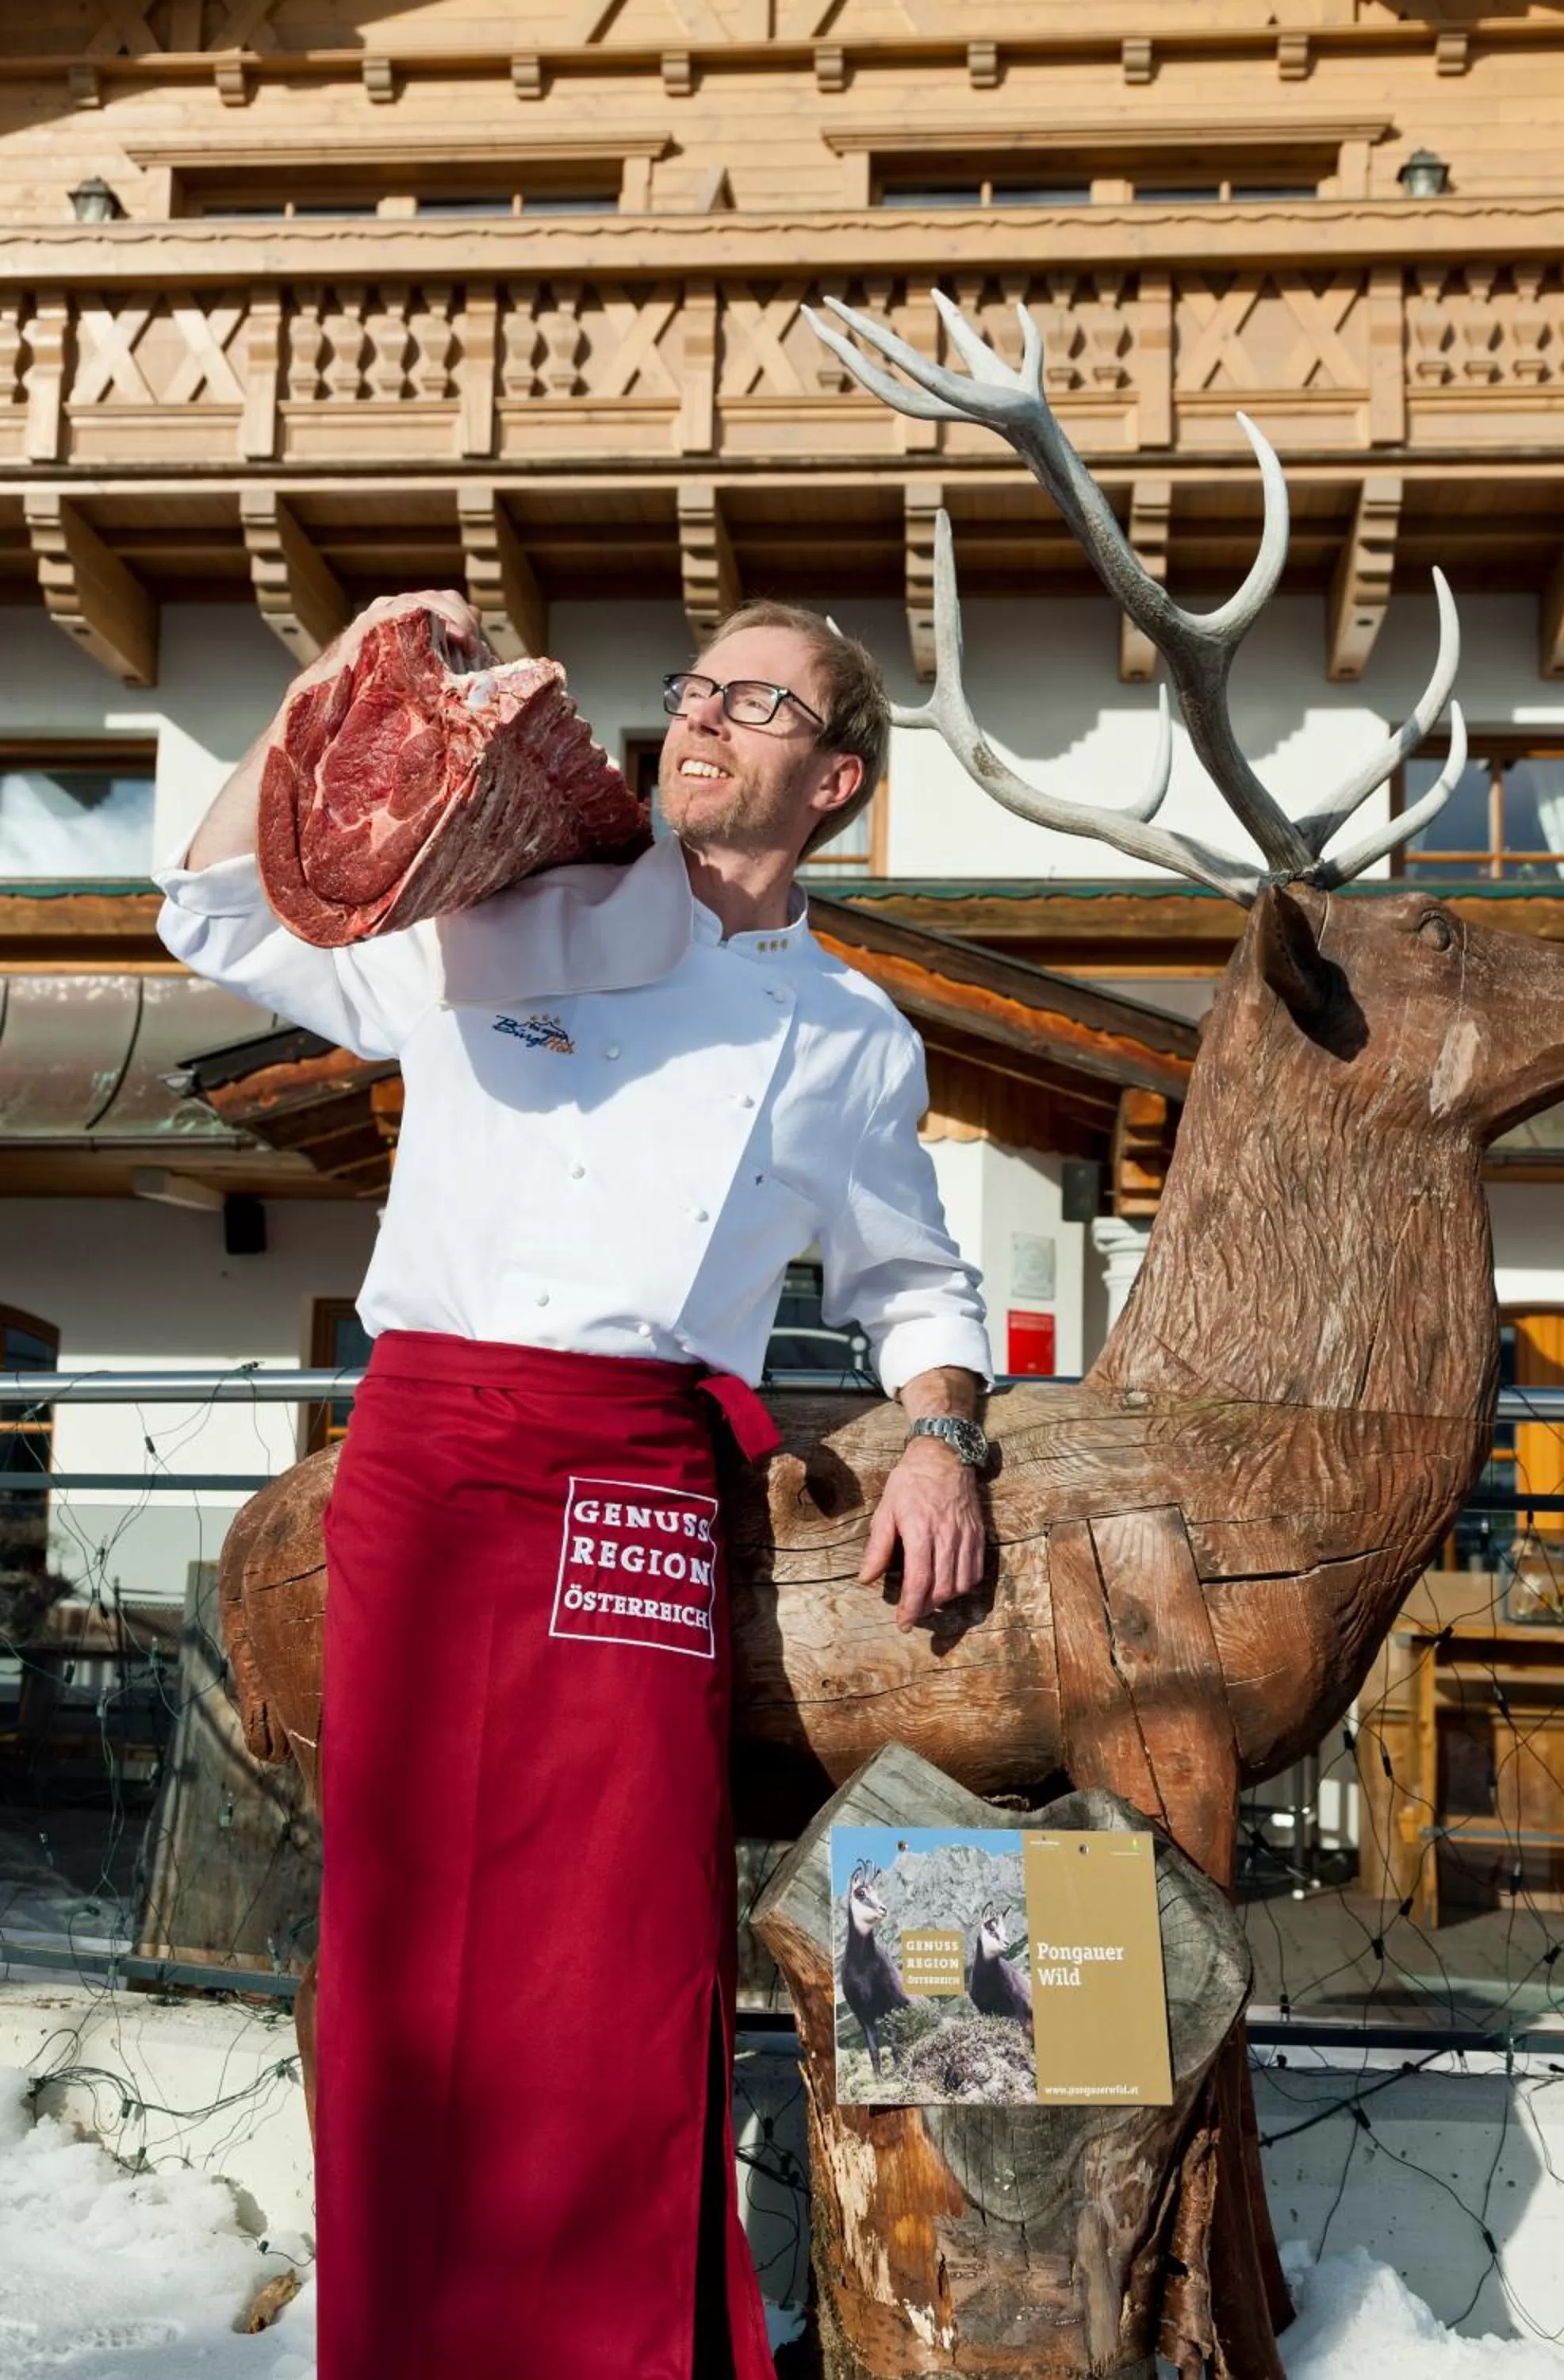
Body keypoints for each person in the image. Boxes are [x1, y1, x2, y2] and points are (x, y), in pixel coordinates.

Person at [154, 589, 995, 2380]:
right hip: (431, 1461)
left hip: (634, 1481)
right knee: (401, 1958)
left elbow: (915, 1278)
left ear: (833, 779)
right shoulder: (492, 912)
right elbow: (213, 907)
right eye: (693, 687)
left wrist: (942, 1432)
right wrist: (326, 689)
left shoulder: (849, 1037)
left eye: (755, 701)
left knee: (624, 1948)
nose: (698, 718)